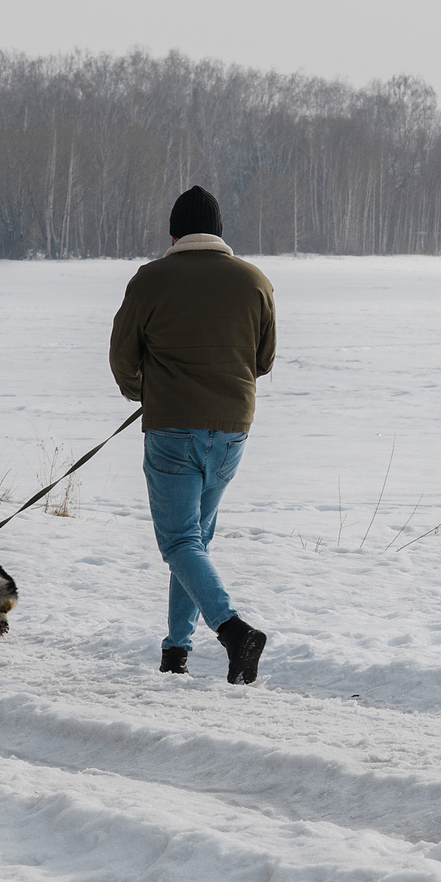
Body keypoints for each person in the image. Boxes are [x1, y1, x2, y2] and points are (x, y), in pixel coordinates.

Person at [108, 186, 274, 683]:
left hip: (172, 431)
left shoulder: (150, 280)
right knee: (194, 539)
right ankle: (175, 650)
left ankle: (232, 629)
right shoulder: (254, 281)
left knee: (180, 541)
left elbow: (123, 359)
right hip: (231, 432)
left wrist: (146, 391)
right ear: (220, 232)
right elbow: (262, 361)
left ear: (174, 233)